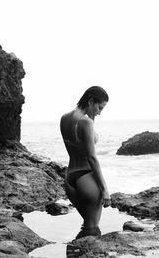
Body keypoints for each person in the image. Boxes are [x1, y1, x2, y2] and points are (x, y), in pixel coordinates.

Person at [60, 86, 110, 239]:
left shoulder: (65, 117)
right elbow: (92, 158)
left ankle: (76, 251)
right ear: (90, 101)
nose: (100, 112)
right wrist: (105, 189)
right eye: (99, 107)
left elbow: (76, 144)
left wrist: (92, 116)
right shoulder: (85, 122)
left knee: (87, 224)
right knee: (93, 230)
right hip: (86, 179)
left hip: (70, 179)